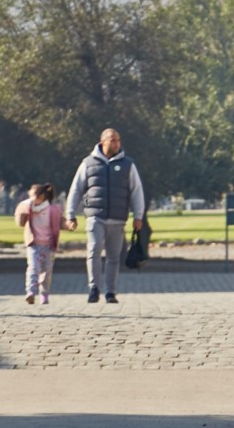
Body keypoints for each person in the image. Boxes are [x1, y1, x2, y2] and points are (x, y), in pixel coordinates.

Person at [65, 128, 147, 304]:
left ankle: (110, 292)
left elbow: (136, 191)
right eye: (113, 140)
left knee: (113, 256)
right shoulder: (87, 163)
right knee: (94, 249)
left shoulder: (128, 164)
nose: (116, 143)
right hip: (95, 216)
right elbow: (76, 189)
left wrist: (138, 216)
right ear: (103, 142)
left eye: (118, 140)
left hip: (118, 218)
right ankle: (94, 287)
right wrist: (70, 215)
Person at [17, 183, 74, 304]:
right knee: (33, 268)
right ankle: (31, 292)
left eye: (33, 196)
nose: (31, 199)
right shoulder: (28, 209)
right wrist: (23, 213)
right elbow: (20, 222)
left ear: (42, 196)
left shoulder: (53, 209)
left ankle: (44, 294)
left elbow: (61, 222)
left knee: (46, 271)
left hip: (49, 245)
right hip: (33, 244)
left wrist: (69, 225)